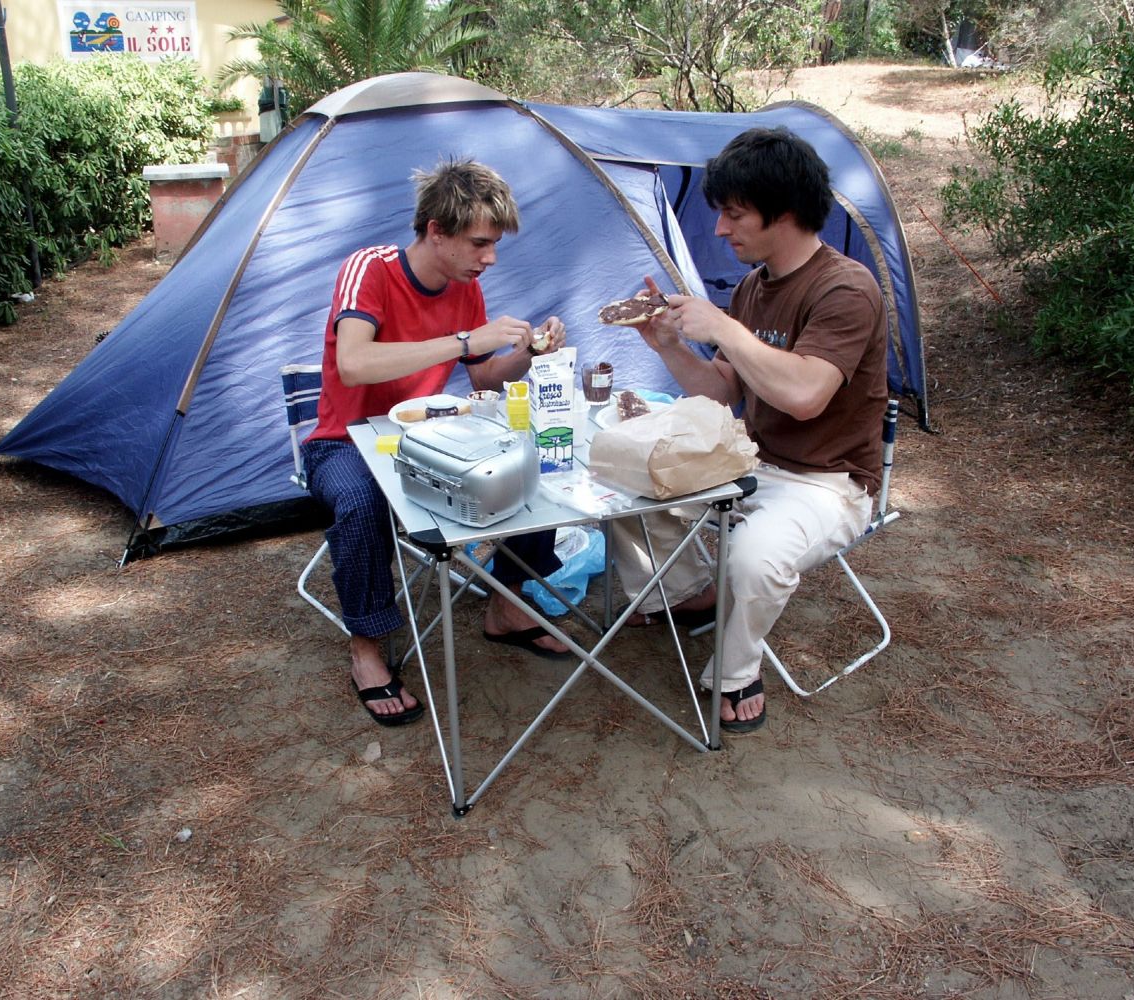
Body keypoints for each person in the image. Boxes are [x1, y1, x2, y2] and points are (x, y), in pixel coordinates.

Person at [612, 126, 888, 733]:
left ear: (782, 212)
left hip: (830, 483)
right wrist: (669, 345)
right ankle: (687, 594)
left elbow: (806, 396)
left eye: (734, 214)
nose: (719, 229)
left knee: (755, 556)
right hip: (752, 464)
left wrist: (724, 329)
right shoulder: (751, 288)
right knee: (626, 484)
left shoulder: (846, 288)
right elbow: (721, 391)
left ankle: (735, 672)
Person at [302, 158, 571, 729]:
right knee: (361, 501)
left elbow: (484, 378)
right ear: (436, 231)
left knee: (532, 459)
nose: (490, 258)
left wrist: (527, 353)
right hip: (345, 441)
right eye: (480, 243)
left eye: (494, 244)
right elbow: (353, 364)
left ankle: (507, 603)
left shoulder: (464, 285)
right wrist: (462, 340)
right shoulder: (370, 269)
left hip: (427, 437)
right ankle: (367, 647)